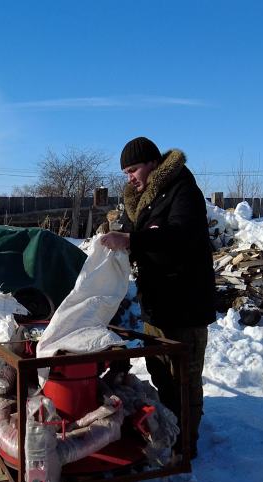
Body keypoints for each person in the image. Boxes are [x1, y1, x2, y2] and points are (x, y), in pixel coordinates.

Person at [99, 136, 216, 459]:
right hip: (157, 304)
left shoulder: (183, 191)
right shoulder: (142, 200)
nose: (130, 178)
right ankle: (170, 432)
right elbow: (138, 237)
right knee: (161, 373)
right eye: (125, 173)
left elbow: (179, 236)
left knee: (184, 379)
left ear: (153, 163)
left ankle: (185, 446)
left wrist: (131, 240)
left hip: (186, 304)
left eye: (133, 170)